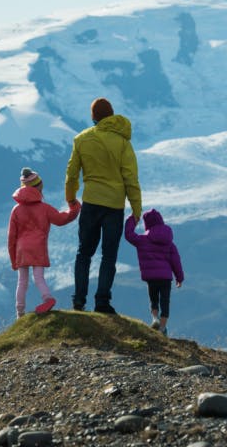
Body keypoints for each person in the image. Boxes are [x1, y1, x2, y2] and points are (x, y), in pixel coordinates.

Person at [65, 97, 143, 314]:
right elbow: (131, 178)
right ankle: (102, 302)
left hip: (91, 203)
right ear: (111, 115)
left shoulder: (81, 139)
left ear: (93, 117)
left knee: (84, 253)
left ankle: (78, 300)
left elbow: (72, 174)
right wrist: (137, 209)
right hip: (114, 206)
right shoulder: (123, 142)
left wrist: (70, 198)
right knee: (109, 256)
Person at [8, 167, 80, 318]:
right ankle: (47, 298)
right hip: (38, 247)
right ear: (39, 187)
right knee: (39, 277)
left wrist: (13, 259)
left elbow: (11, 237)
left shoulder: (16, 210)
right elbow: (61, 219)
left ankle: (20, 312)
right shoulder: (44, 208)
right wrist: (74, 208)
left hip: (21, 249)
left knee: (22, 281)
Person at [124, 208, 184, 336]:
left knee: (154, 299)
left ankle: (155, 318)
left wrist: (132, 219)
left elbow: (128, 234)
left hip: (151, 278)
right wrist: (179, 277)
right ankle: (162, 328)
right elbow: (176, 261)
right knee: (165, 301)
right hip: (166, 278)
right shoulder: (169, 242)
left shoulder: (142, 240)